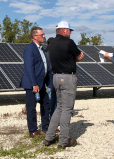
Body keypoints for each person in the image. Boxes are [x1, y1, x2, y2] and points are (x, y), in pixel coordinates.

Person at [43, 21, 84, 149]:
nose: (70, 33)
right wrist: (79, 57)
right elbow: (79, 56)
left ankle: (49, 137)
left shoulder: (52, 43)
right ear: (65, 30)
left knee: (59, 107)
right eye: (70, 30)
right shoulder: (69, 43)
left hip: (56, 77)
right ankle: (64, 140)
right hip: (67, 77)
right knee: (67, 109)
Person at [20, 27, 52, 138]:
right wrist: (34, 84)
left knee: (45, 104)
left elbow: (45, 66)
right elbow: (29, 68)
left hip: (41, 83)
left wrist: (48, 82)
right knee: (31, 107)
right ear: (34, 36)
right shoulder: (30, 49)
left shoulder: (41, 49)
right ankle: (33, 131)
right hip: (32, 84)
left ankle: (46, 128)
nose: (44, 36)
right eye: (42, 35)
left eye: (43, 34)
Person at [45, 37, 57, 118]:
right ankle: (50, 115)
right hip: (51, 76)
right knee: (51, 96)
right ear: (49, 44)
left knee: (53, 96)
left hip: (51, 75)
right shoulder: (48, 53)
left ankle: (53, 115)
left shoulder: (45, 52)